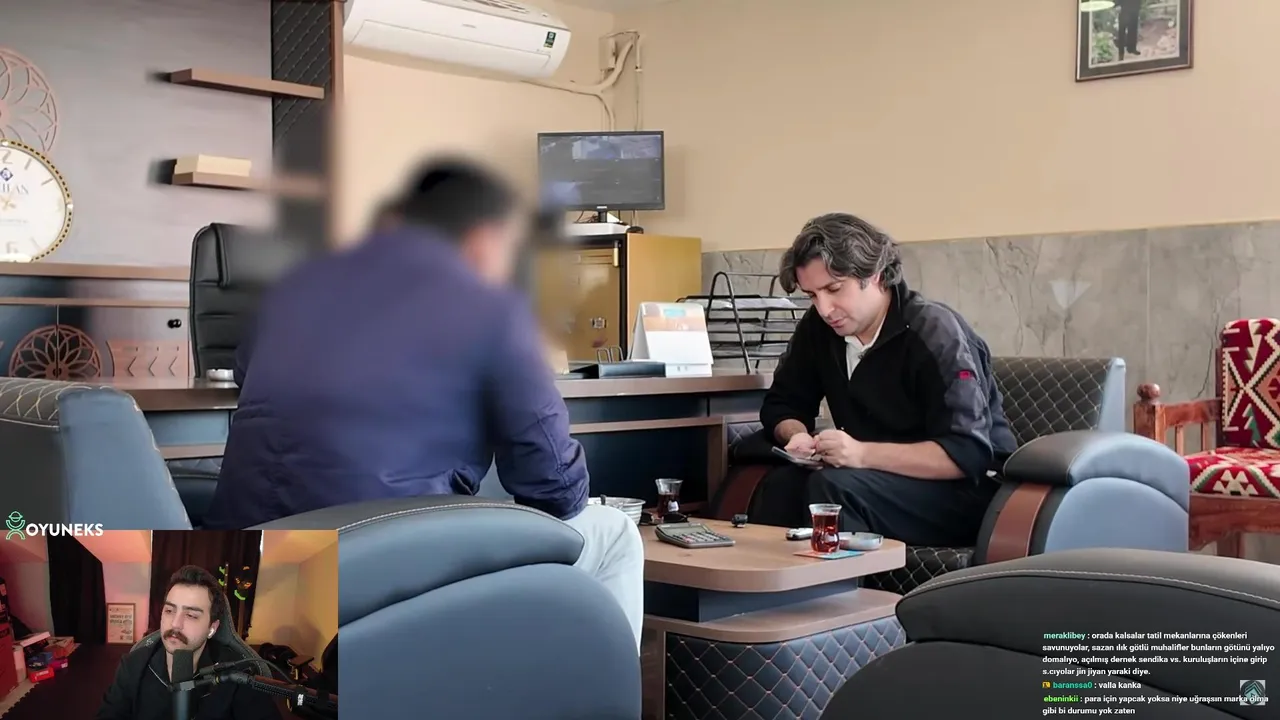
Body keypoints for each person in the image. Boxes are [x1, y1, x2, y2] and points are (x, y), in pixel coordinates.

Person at [202, 159, 644, 649]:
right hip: (370, 559)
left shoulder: (290, 294)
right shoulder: (488, 309)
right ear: (482, 237)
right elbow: (554, 486)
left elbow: (247, 373)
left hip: (243, 553)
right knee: (616, 534)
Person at [754, 213, 1017, 547]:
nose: (824, 309)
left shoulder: (935, 333)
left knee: (834, 491)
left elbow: (967, 453)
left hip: (969, 493)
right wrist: (797, 436)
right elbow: (783, 403)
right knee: (781, 485)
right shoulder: (820, 329)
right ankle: (762, 582)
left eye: (834, 289)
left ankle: (848, 584)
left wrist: (861, 454)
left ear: (875, 275)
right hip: (873, 479)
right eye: (812, 295)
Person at [96, 565, 280, 720]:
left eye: (191, 615)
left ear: (212, 628)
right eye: (169, 611)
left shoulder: (239, 675)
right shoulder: (133, 666)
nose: (175, 624)